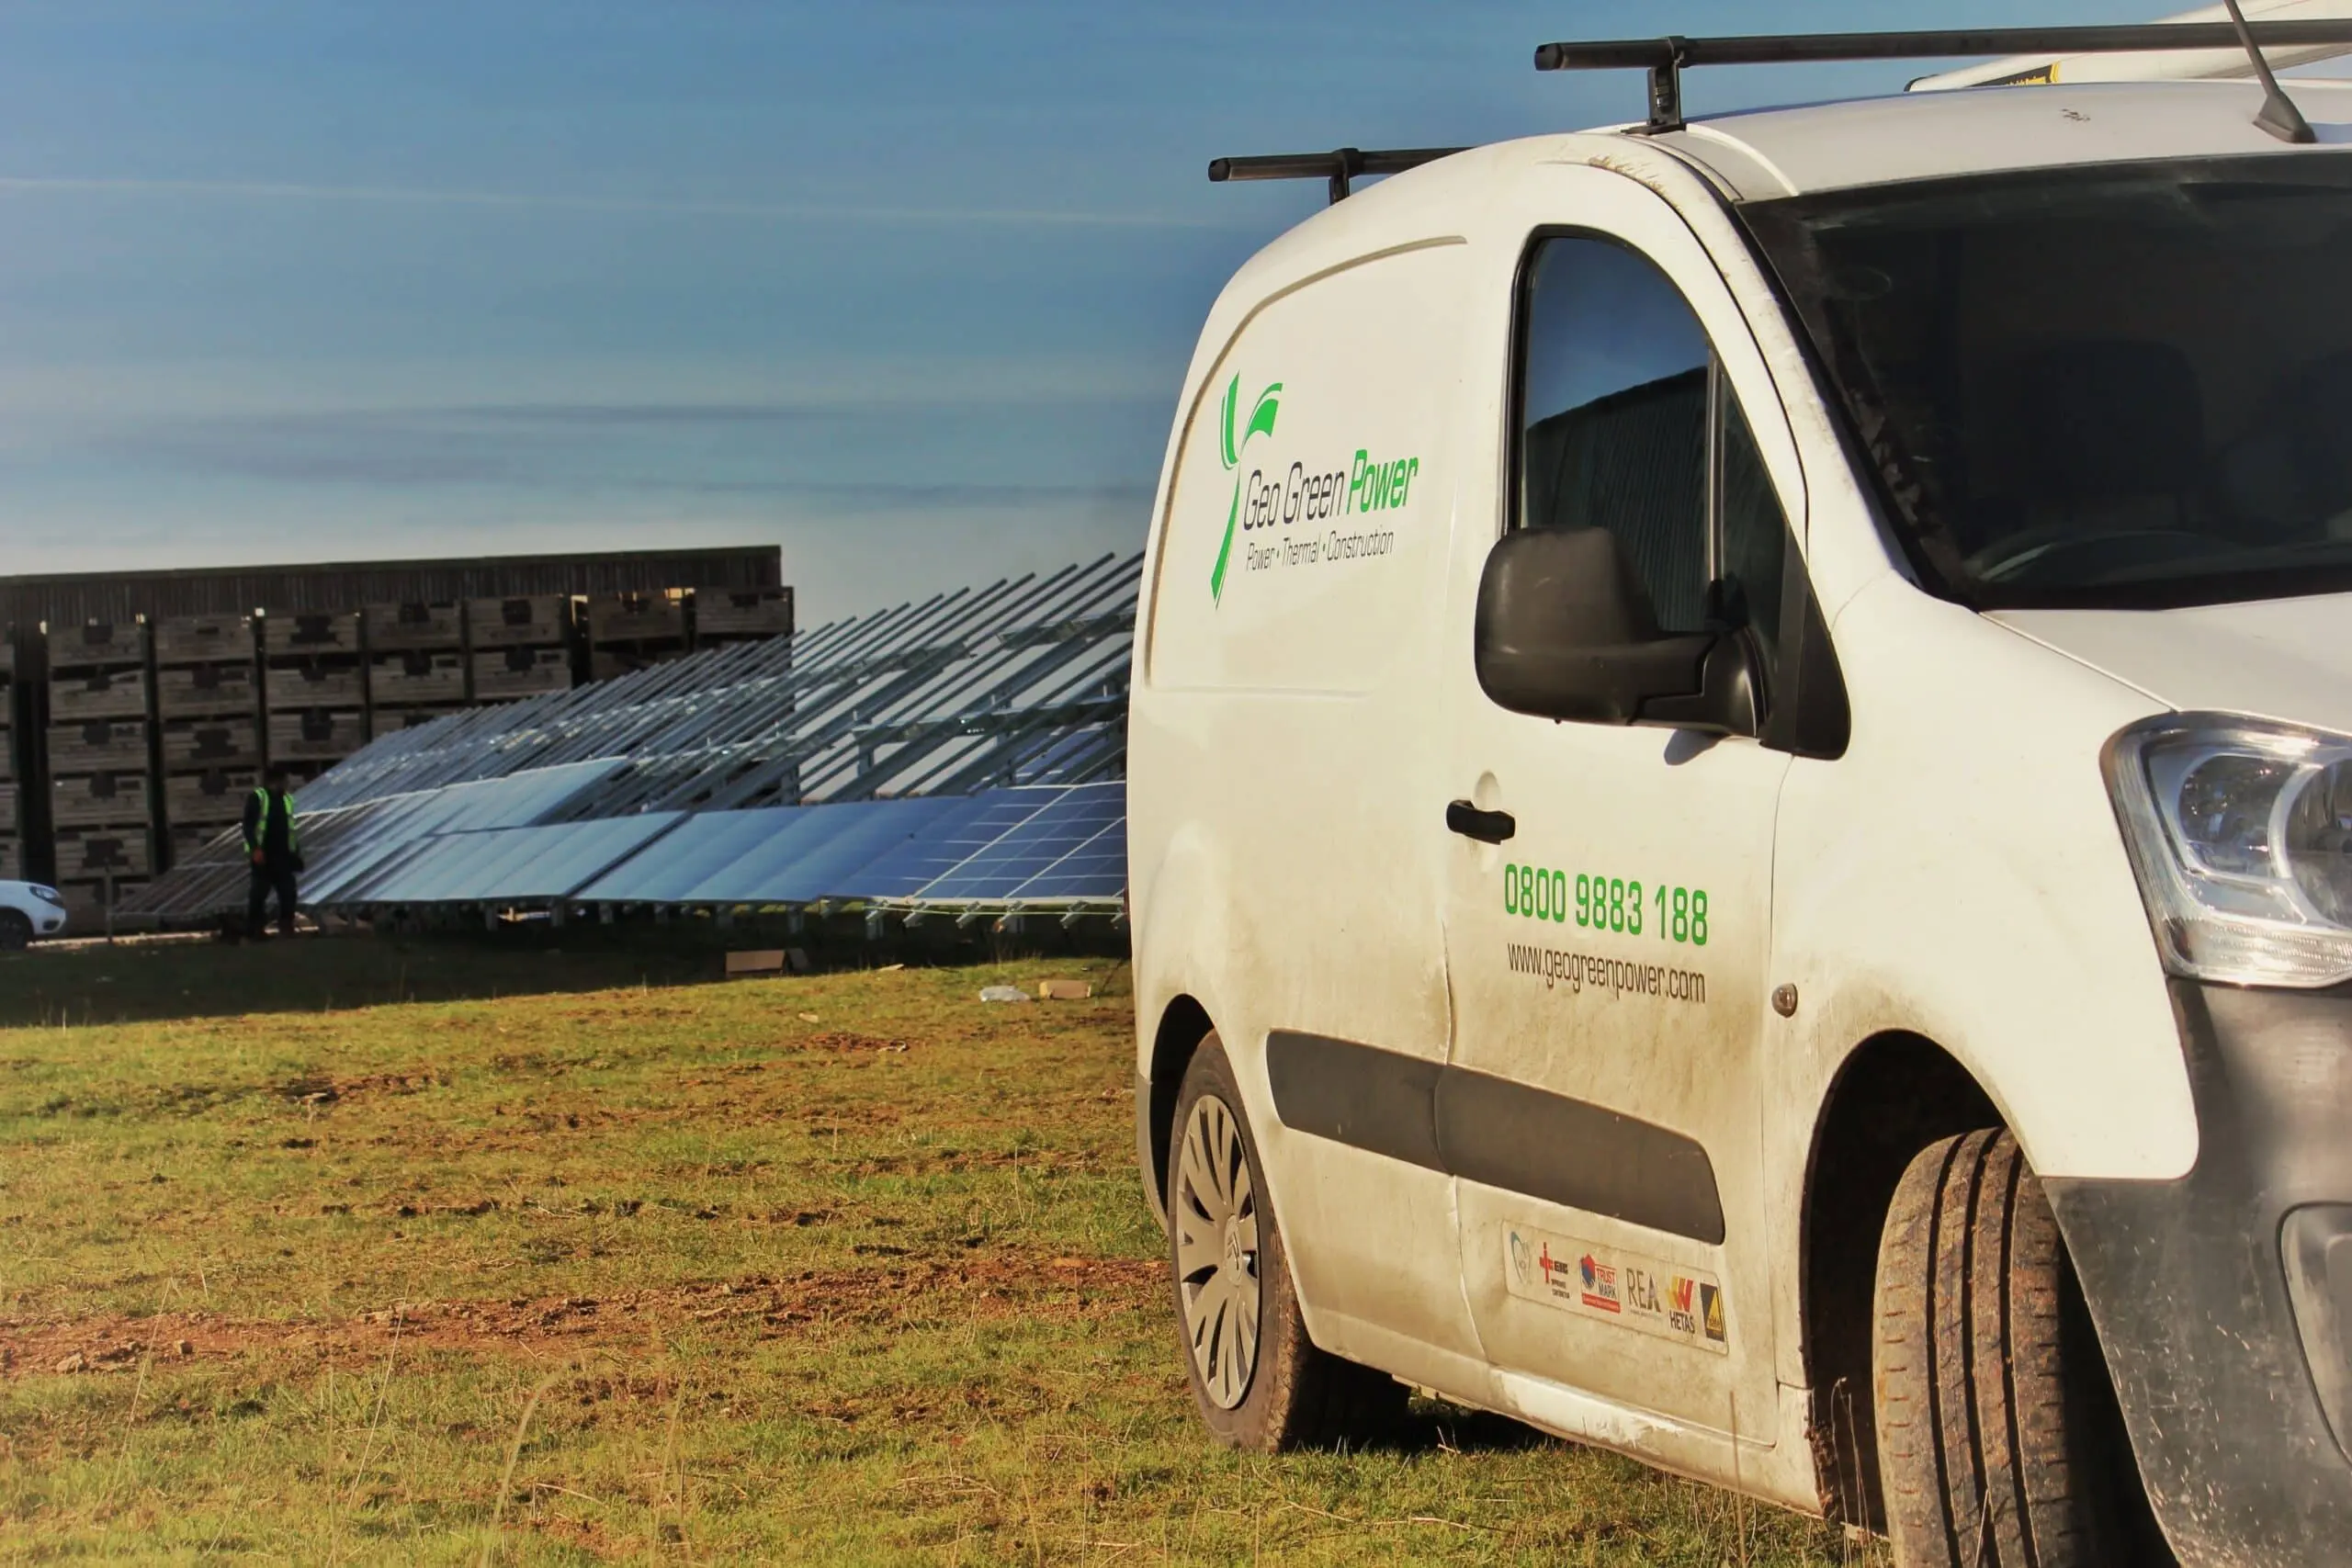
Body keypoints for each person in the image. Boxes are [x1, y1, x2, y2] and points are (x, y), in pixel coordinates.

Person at [242, 763, 303, 938]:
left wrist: (295, 854)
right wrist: (255, 849)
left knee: (288, 893)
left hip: (283, 856)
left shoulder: (287, 800)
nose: (287, 783)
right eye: (285, 779)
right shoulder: (258, 798)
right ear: (277, 780)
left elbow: (290, 828)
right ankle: (254, 929)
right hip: (264, 855)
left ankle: (286, 926)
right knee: (259, 894)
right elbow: (248, 826)